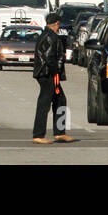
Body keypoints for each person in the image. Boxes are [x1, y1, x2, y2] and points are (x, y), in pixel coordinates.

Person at [31, 12, 74, 145]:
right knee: (44, 103)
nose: (58, 27)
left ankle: (60, 133)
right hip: (48, 74)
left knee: (60, 99)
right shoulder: (50, 37)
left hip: (49, 73)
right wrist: (56, 71)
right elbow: (49, 58)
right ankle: (38, 135)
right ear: (56, 24)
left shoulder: (48, 35)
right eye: (58, 24)